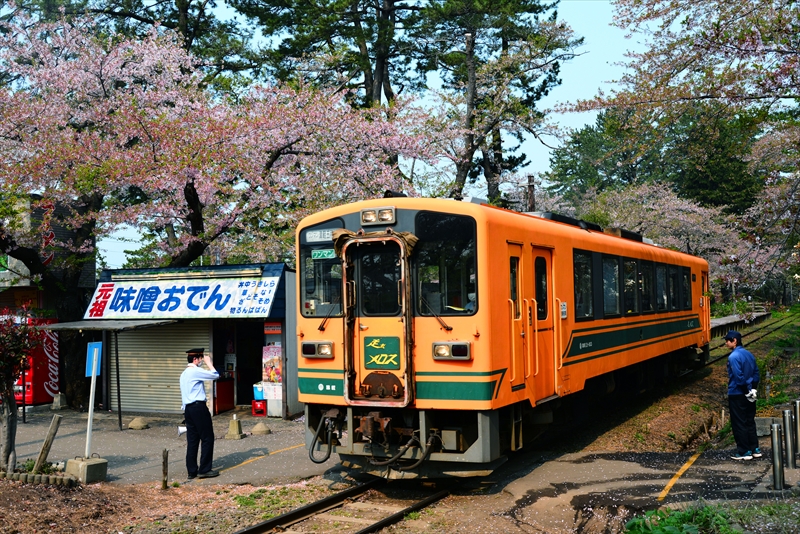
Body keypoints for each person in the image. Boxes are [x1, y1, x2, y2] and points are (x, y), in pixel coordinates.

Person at [180, 348, 220, 478]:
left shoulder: (184, 374)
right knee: (207, 438)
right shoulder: (195, 371)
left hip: (188, 409)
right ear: (195, 359)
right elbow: (215, 375)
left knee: (192, 440)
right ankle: (204, 469)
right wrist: (209, 363)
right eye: (201, 358)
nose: (202, 360)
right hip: (198, 408)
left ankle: (192, 471)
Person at [724, 331, 761, 461]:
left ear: (734, 341)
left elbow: (739, 378)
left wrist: (746, 391)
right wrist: (753, 390)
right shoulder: (749, 354)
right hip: (751, 392)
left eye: (728, 340)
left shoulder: (733, 357)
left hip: (737, 393)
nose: (726, 343)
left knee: (739, 422)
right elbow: (756, 373)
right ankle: (755, 448)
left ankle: (744, 451)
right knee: (750, 420)